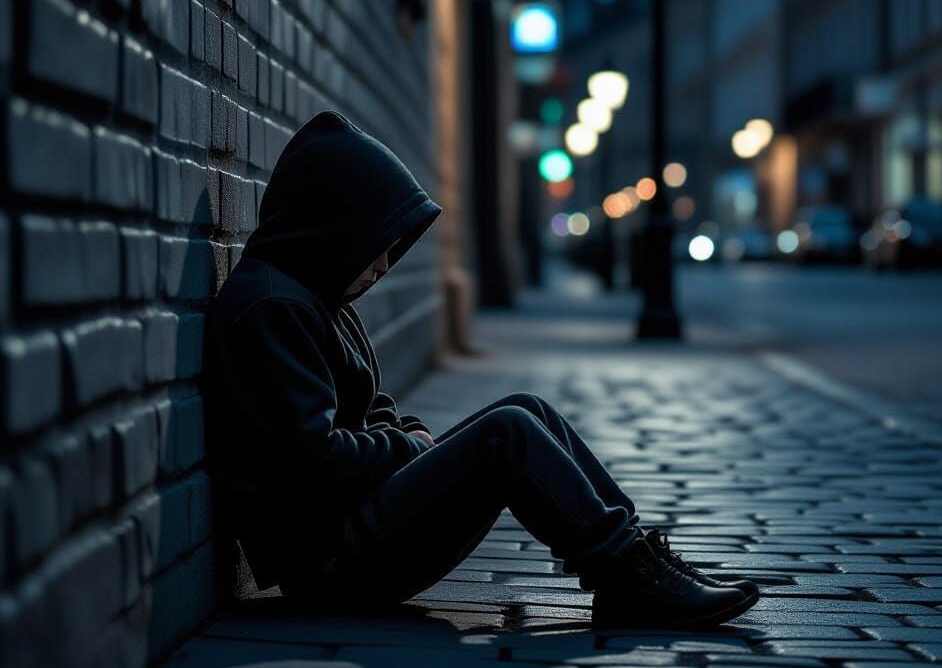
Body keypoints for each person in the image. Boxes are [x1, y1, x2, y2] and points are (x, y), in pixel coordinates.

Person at [205, 111, 759, 629]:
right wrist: (411, 448)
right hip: (330, 562)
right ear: (329, 225)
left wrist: (403, 435)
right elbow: (315, 462)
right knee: (508, 434)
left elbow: (371, 406)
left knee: (527, 408)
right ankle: (627, 576)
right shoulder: (272, 308)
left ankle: (633, 554)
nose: (379, 266)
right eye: (373, 247)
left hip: (359, 521)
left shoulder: (316, 297)